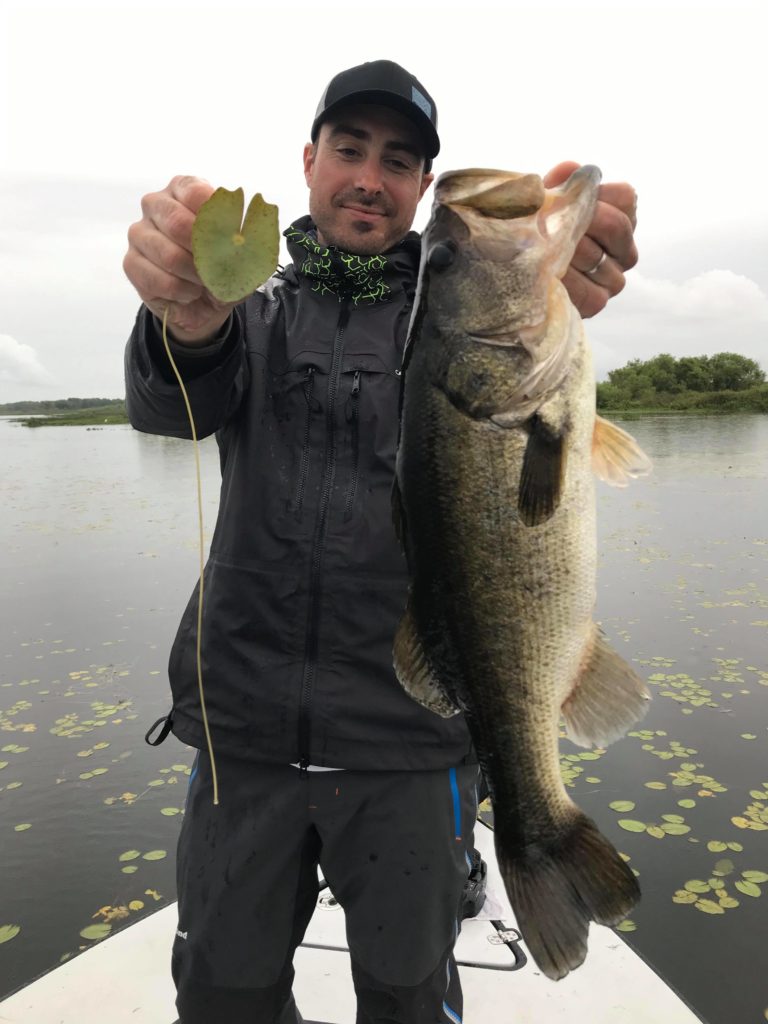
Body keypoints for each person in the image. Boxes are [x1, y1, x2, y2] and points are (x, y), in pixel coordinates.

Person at [122, 59, 638, 1024]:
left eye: (399, 161)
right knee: (224, 998)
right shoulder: (252, 313)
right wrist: (181, 321)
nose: (370, 175)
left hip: (413, 747)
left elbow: (533, 377)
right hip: (246, 741)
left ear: (419, 189)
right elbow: (168, 400)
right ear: (309, 161)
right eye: (350, 149)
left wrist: (559, 272)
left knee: (406, 997)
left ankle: (537, 832)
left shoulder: (439, 318)